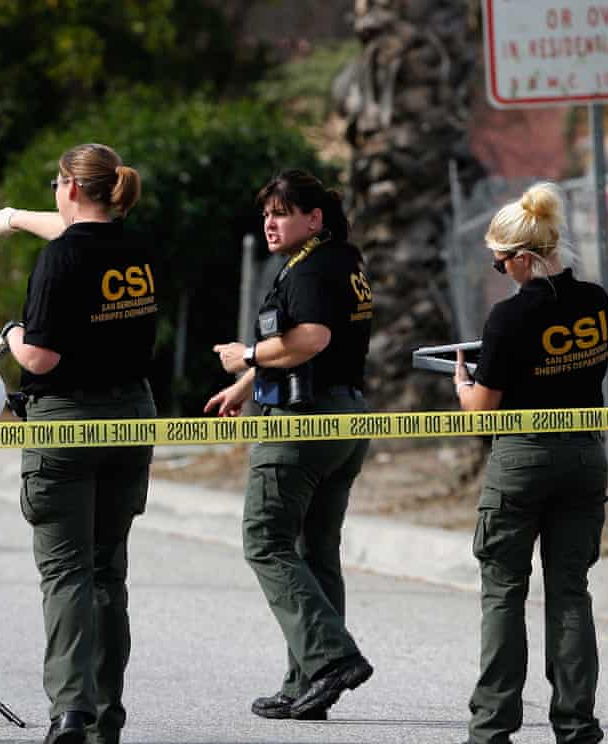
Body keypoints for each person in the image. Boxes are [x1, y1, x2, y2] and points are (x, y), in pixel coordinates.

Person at [0, 143, 157, 744]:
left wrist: (9, 330)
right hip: (131, 416)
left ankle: (70, 711)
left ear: (71, 188)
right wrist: (15, 217)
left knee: (67, 573)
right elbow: (78, 233)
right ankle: (105, 722)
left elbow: (39, 355)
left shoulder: (59, 262)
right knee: (109, 572)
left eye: (56, 184)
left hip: (67, 423)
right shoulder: (135, 247)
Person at [205, 169, 374, 721]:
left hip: (303, 424)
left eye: (281, 213)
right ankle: (306, 685)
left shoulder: (310, 270)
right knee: (314, 549)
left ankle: (330, 659)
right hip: (345, 417)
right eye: (266, 214)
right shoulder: (343, 261)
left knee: (265, 540)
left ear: (313, 218)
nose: (270, 223)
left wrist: (247, 356)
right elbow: (311, 344)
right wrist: (245, 386)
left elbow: (311, 339)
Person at [455, 182, 608, 744]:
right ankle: (576, 725)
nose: (501, 270)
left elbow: (481, 409)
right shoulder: (595, 301)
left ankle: (492, 727)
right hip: (585, 455)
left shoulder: (507, 319)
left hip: (522, 456)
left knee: (504, 590)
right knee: (571, 589)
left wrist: (462, 381)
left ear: (525, 258)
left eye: (502, 263)